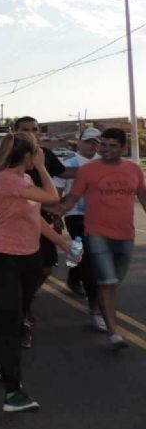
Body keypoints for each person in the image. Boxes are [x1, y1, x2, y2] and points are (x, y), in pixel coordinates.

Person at [0, 131, 77, 412]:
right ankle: (13, 392)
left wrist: (63, 243)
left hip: (28, 257)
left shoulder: (23, 179)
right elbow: (51, 197)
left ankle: (4, 364)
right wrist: (43, 167)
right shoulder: (6, 179)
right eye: (36, 150)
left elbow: (35, 217)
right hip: (4, 260)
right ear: (27, 155)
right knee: (10, 324)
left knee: (18, 315)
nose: (41, 154)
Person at [59, 128, 146, 351]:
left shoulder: (134, 170)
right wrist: (45, 213)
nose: (105, 149)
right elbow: (70, 201)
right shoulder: (87, 171)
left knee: (113, 280)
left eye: (111, 145)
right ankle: (113, 333)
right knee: (107, 281)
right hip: (96, 233)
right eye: (103, 145)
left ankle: (97, 308)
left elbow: (143, 196)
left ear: (123, 148)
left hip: (126, 235)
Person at [13, 116, 74, 348]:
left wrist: (92, 169)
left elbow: (63, 172)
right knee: (24, 269)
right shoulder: (12, 158)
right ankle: (22, 315)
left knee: (45, 268)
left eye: (34, 130)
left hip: (44, 217)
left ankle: (24, 298)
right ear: (16, 132)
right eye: (25, 130)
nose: (31, 133)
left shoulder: (46, 154)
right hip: (19, 220)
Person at [53, 128, 103, 331]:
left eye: (95, 142)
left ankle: (73, 276)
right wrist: (56, 216)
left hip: (100, 217)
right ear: (79, 142)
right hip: (76, 215)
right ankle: (95, 308)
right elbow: (57, 191)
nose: (92, 145)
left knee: (79, 251)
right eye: (88, 141)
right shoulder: (69, 164)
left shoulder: (103, 162)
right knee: (89, 259)